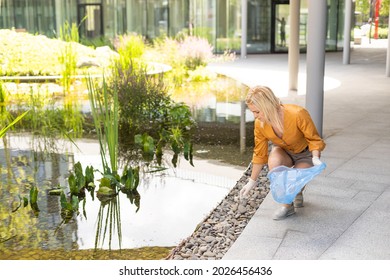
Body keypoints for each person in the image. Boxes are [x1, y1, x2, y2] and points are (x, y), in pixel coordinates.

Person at [239, 85, 325, 220]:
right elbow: (259, 153)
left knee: (295, 180)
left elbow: (314, 139)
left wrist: (315, 157)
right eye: (253, 112)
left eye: (257, 112)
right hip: (283, 151)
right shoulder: (259, 124)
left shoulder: (297, 114)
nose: (255, 116)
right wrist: (252, 181)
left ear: (267, 106)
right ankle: (288, 207)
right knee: (274, 163)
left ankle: (297, 192)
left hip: (305, 154)